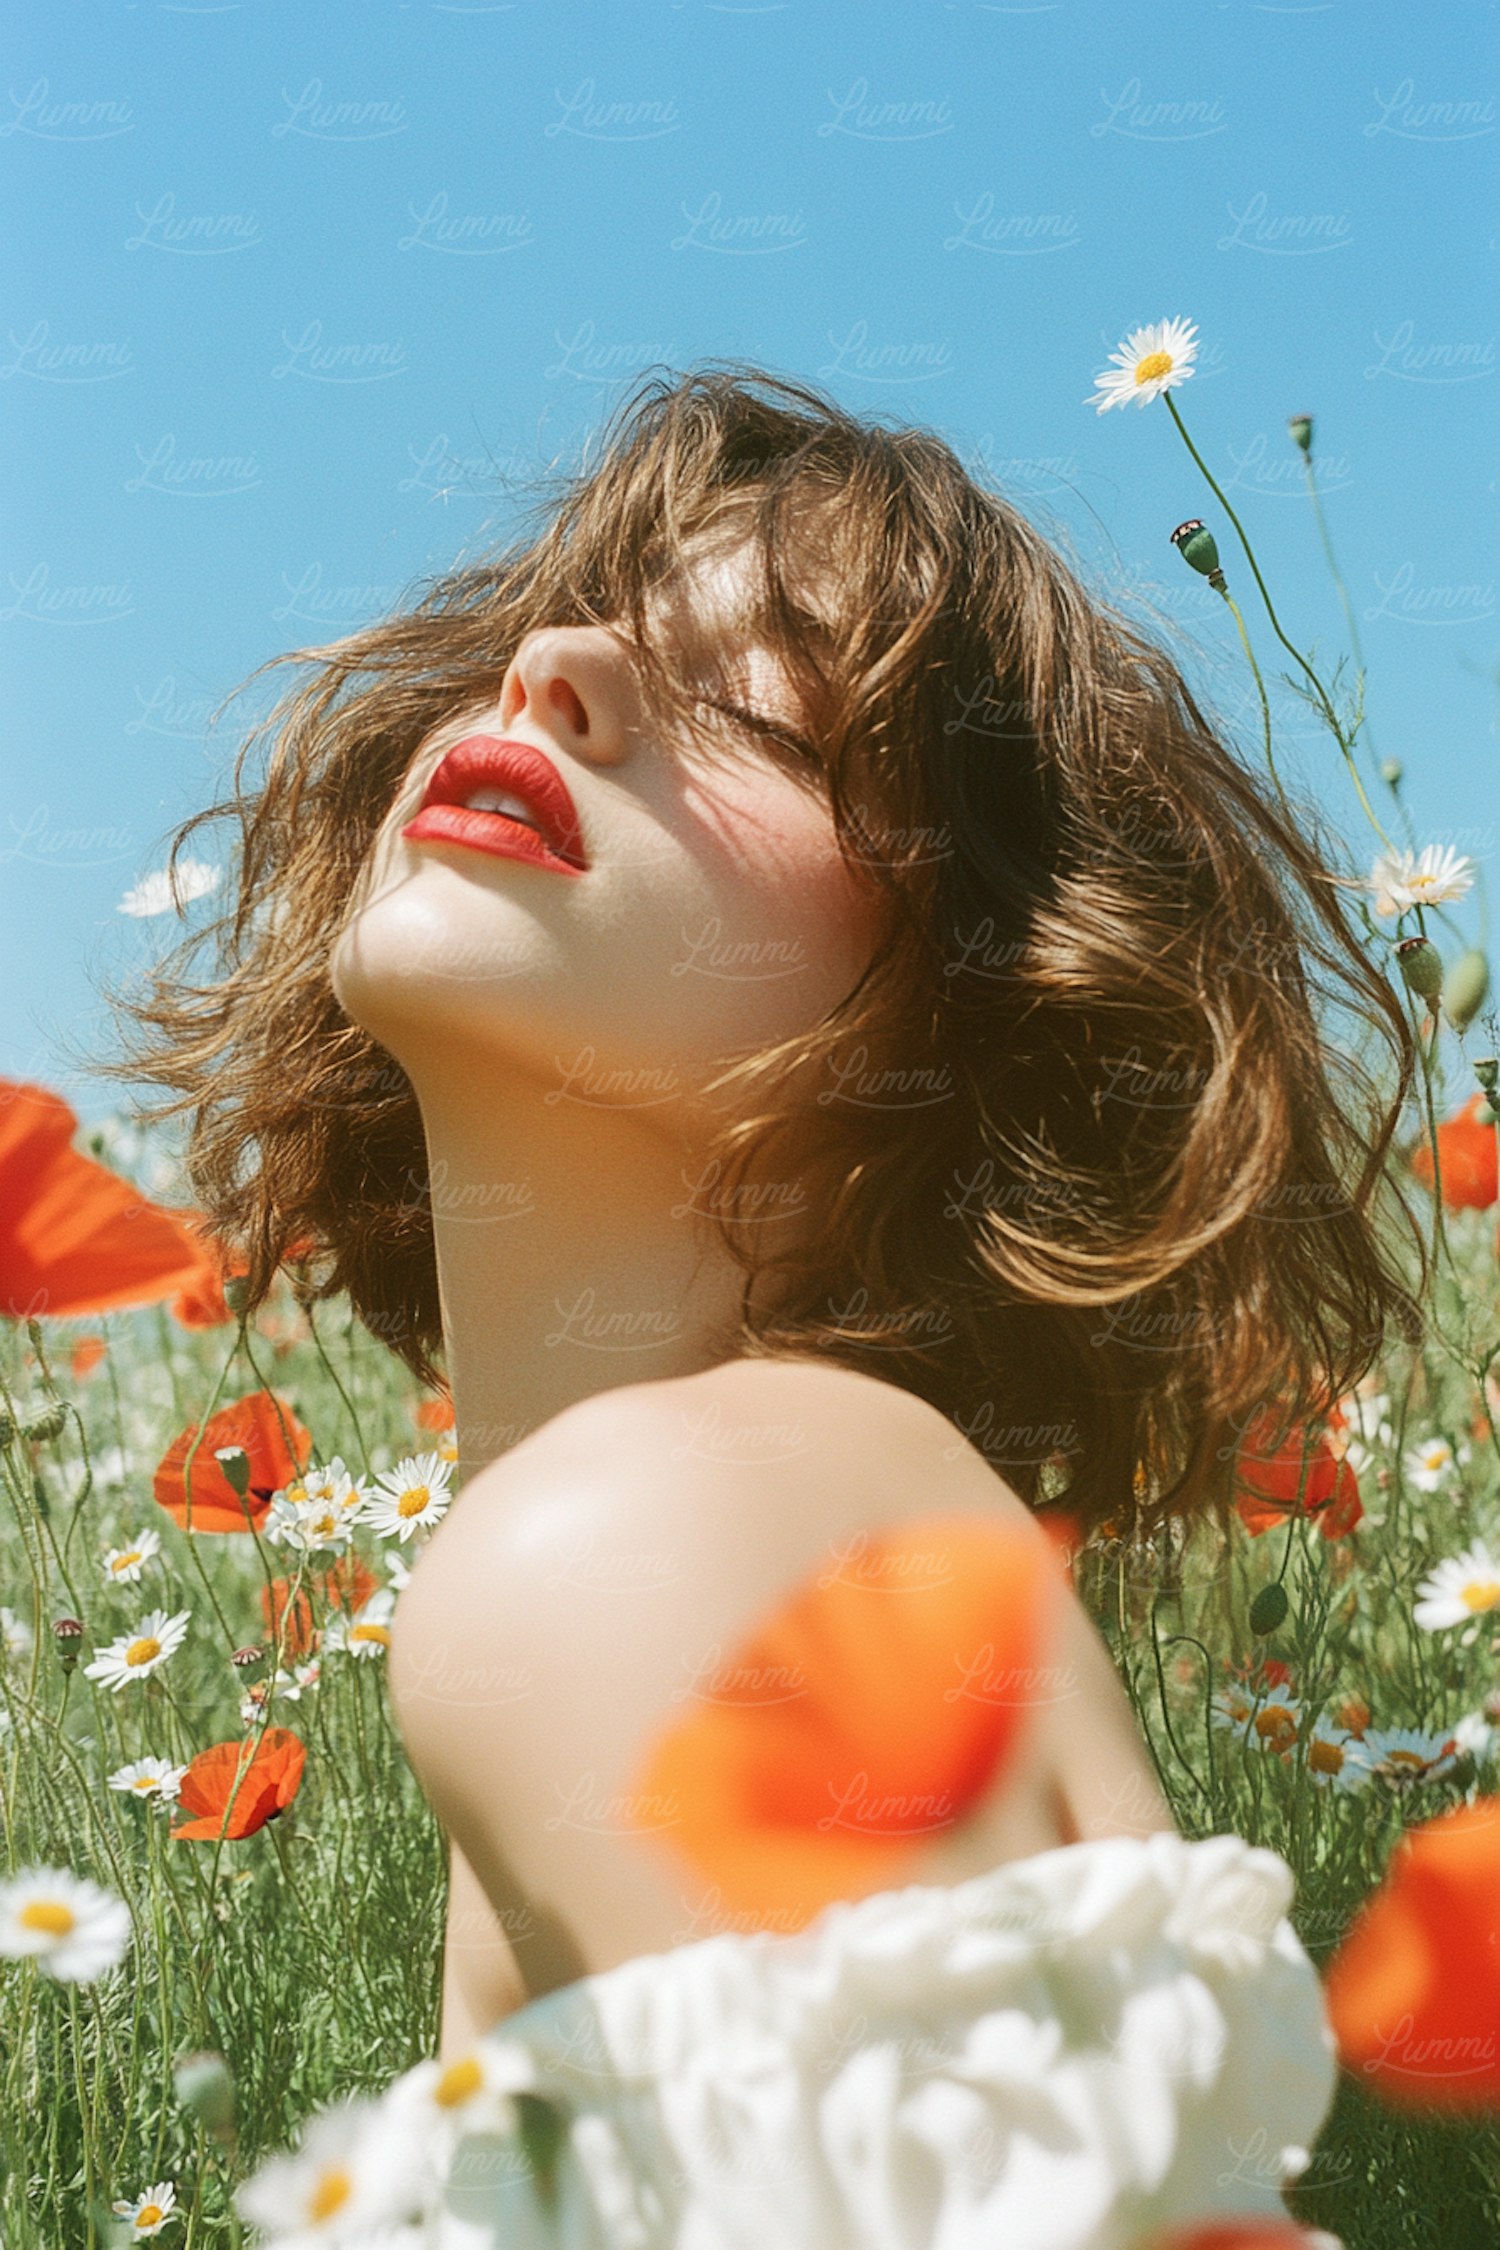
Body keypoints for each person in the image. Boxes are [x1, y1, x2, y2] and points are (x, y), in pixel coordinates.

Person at [108, 365, 1418, 2248]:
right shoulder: (740, 1508)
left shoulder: (656, 1520)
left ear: (986, 1004)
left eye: (764, 717)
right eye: (588, 623)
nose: (554, 661)